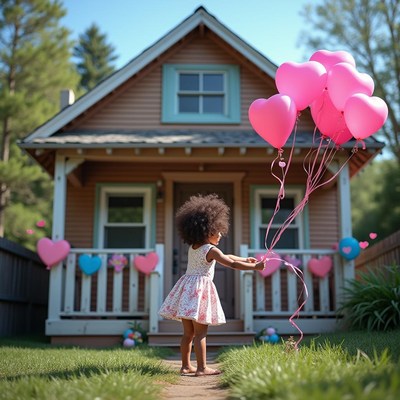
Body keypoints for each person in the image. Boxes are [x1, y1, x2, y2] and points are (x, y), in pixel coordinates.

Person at [159, 193, 265, 376]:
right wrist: (254, 267)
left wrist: (245, 259)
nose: (221, 234)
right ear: (208, 231)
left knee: (188, 334)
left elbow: (229, 257)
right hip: (200, 293)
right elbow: (230, 263)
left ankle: (185, 366)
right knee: (201, 334)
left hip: (186, 292)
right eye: (218, 231)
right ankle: (202, 368)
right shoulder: (211, 249)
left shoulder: (195, 248)